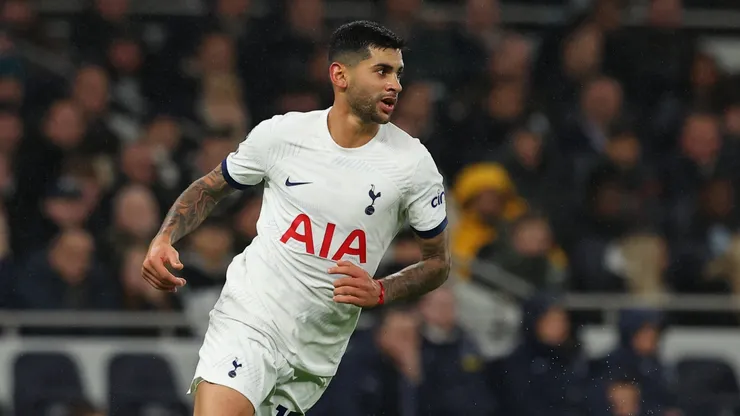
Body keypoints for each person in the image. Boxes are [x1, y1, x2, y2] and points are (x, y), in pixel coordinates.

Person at [141, 20, 450, 416]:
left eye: (398, 74)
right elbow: (211, 186)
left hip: (314, 355)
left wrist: (382, 291)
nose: (395, 85)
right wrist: (164, 237)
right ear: (340, 75)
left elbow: (437, 264)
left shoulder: (413, 165)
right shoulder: (283, 135)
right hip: (251, 319)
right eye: (382, 72)